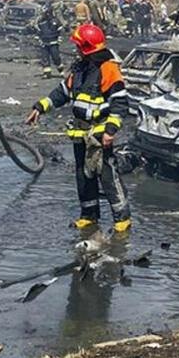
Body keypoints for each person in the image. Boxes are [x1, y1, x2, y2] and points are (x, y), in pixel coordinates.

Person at [26, 23, 132, 232]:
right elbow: (63, 92)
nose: (76, 50)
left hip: (99, 133)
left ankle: (122, 218)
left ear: (86, 48)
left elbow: (120, 102)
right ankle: (89, 215)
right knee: (84, 175)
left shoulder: (108, 68)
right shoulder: (80, 68)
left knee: (107, 175)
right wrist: (40, 107)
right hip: (80, 133)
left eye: (78, 46)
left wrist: (110, 131)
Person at [32, 0, 65, 76]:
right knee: (45, 58)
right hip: (44, 43)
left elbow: (60, 31)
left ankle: (61, 71)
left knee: (56, 57)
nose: (46, 14)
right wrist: (38, 39)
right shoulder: (40, 21)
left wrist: (59, 39)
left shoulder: (55, 21)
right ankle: (47, 73)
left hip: (54, 43)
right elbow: (38, 31)